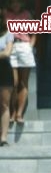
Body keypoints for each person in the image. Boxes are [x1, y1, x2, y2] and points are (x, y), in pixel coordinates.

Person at [5, 0, 34, 126]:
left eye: (18, 2)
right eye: (13, 2)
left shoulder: (27, 14)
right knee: (14, 83)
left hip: (24, 46)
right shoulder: (5, 14)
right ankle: (11, 112)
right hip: (10, 46)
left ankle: (19, 114)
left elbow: (35, 32)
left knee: (23, 82)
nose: (15, 4)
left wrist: (30, 46)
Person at [0, 11, 13, 147]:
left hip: (4, 70)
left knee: (4, 104)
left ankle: (3, 137)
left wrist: (2, 54)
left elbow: (7, 52)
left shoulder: (8, 33)